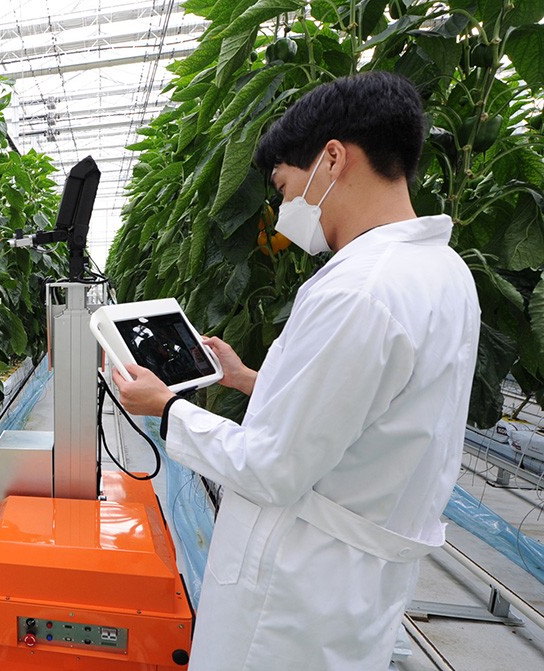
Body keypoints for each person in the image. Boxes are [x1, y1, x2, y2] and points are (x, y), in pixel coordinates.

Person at [113, 71, 480, 670]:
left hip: (293, 590)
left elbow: (273, 467)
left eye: (284, 187)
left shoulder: (359, 291)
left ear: (333, 158)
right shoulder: (443, 272)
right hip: (352, 583)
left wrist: (168, 408)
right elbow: (367, 411)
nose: (285, 209)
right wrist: (246, 379)